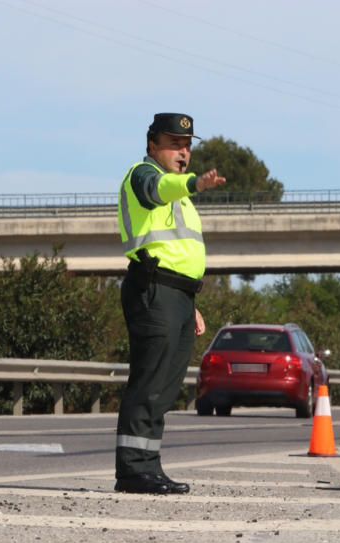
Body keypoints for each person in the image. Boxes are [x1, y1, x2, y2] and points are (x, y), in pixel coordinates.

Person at [114, 112, 226, 494]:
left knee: (165, 385)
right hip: (153, 289)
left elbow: (178, 251)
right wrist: (194, 183)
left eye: (188, 146)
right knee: (149, 382)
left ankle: (149, 465)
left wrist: (188, 301)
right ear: (152, 146)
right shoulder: (142, 175)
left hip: (176, 295)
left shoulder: (180, 196)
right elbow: (154, 191)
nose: (183, 152)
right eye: (174, 144)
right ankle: (132, 471)